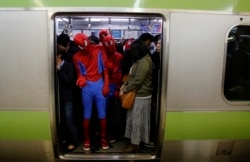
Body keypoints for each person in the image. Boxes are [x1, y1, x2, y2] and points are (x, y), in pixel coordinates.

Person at [72, 33, 110, 151]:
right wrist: (81, 78)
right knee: (87, 114)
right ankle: (87, 139)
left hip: (99, 84)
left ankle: (103, 139)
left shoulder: (99, 49)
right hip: (87, 86)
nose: (84, 47)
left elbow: (105, 69)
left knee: (102, 114)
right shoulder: (76, 57)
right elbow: (79, 73)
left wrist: (106, 84)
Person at [119, 39, 153, 153]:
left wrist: (125, 90)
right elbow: (132, 77)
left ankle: (135, 144)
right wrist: (125, 85)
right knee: (136, 120)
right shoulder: (141, 60)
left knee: (137, 121)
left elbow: (137, 81)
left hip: (141, 96)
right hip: (138, 94)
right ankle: (136, 141)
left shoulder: (144, 63)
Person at [56, 44, 78, 152]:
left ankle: (74, 141)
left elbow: (69, 81)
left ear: (59, 56)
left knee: (69, 120)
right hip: (58, 97)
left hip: (67, 97)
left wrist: (59, 70)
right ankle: (65, 138)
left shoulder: (68, 66)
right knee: (62, 121)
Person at [102, 35, 124, 143]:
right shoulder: (102, 55)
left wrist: (117, 88)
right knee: (105, 113)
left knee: (114, 114)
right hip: (105, 86)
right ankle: (105, 133)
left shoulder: (118, 56)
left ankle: (111, 133)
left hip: (112, 86)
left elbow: (119, 73)